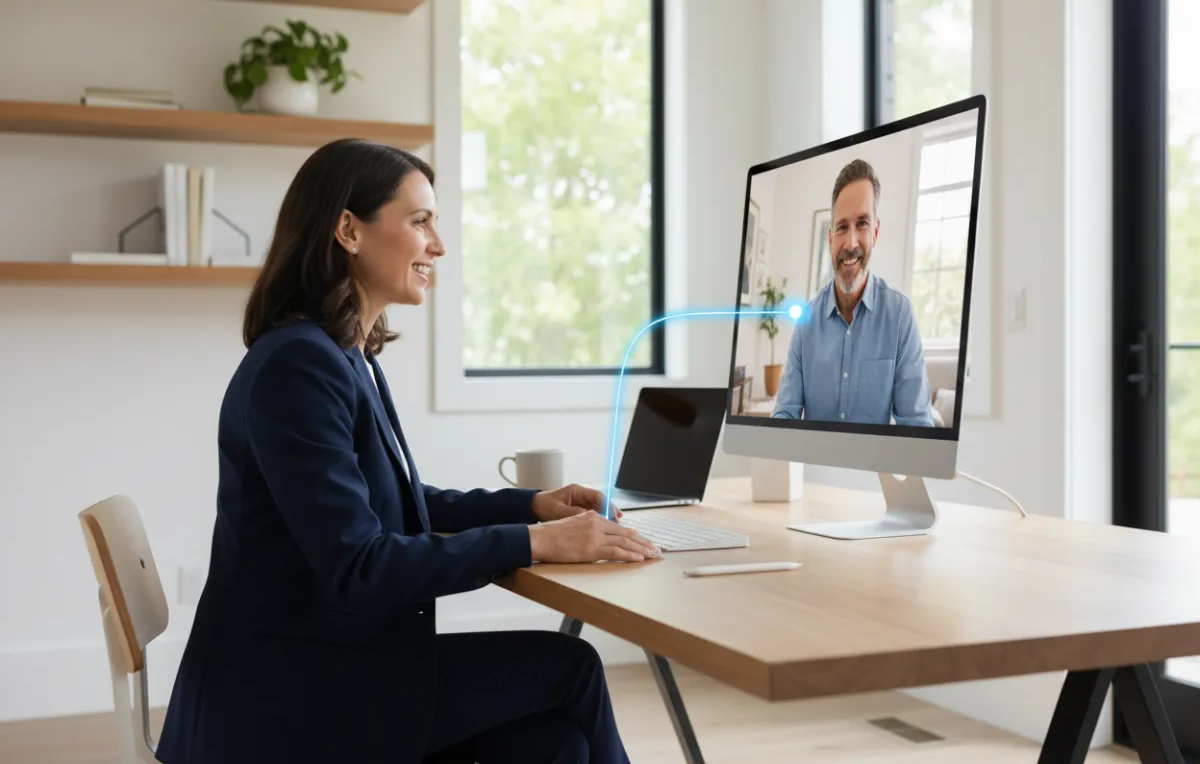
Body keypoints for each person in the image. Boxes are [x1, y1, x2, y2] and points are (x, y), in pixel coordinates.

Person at [154, 138, 661, 764]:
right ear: (349, 230)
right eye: (420, 222)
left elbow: (396, 502)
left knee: (554, 745)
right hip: (290, 702)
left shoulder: (341, 354)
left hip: (323, 671)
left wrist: (532, 507)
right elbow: (360, 567)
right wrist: (537, 543)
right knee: (572, 668)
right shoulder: (300, 367)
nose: (438, 246)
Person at [772, 158, 933, 426]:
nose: (851, 243)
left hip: (874, 469)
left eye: (862, 224)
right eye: (842, 227)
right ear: (830, 238)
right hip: (814, 467)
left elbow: (917, 426)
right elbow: (785, 413)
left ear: (876, 233)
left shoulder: (899, 315)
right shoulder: (806, 322)